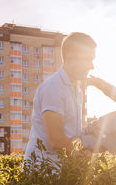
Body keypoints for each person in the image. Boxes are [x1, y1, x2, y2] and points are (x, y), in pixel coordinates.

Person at [24, 32, 96, 162]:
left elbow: (72, 135)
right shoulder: (54, 87)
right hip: (43, 173)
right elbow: (56, 140)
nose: (92, 66)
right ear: (70, 56)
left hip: (61, 170)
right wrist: (81, 156)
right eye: (88, 59)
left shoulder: (77, 90)